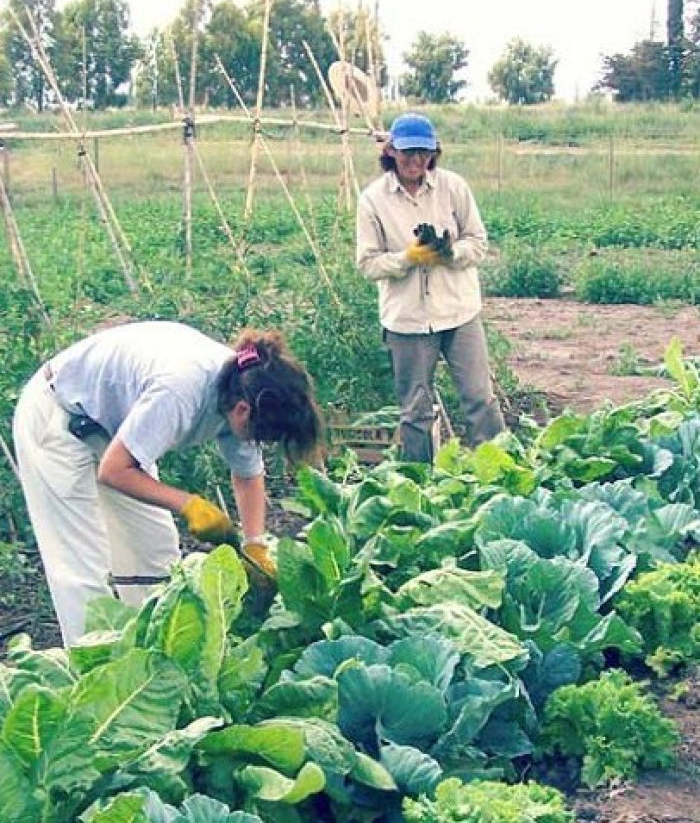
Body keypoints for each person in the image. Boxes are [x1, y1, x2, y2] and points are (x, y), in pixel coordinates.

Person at [12, 320, 323, 645]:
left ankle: (154, 658)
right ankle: (92, 666)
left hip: (107, 429)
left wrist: (255, 544)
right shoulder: (181, 390)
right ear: (243, 411)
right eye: (262, 436)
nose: (260, 443)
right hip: (55, 415)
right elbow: (115, 471)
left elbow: (248, 475)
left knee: (155, 549)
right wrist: (188, 504)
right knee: (83, 563)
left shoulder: (246, 387)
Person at [356, 112, 505, 462]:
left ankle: (500, 472)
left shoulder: (453, 187)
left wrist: (450, 253)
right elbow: (367, 263)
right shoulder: (373, 200)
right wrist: (408, 258)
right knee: (415, 410)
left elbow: (478, 242)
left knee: (479, 398)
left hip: (458, 310)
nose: (416, 160)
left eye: (424, 152)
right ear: (391, 151)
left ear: (434, 152)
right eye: (408, 152)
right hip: (407, 319)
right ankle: (421, 487)